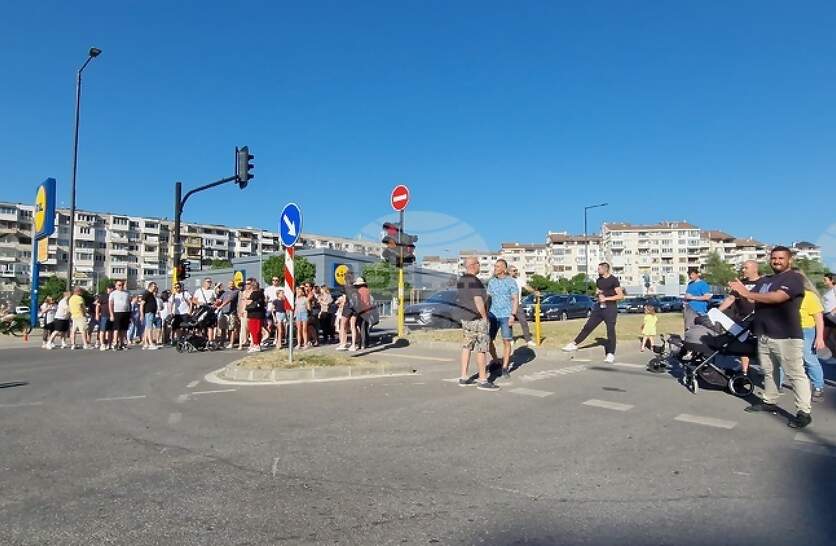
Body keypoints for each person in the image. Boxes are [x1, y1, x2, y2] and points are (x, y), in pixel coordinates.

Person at [729, 246, 811, 429]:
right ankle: (770, 401)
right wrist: (740, 291)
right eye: (774, 258)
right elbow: (753, 299)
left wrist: (747, 293)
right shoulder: (766, 280)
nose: (777, 261)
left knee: (795, 374)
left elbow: (777, 297)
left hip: (786, 335)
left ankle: (803, 412)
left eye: (781, 258)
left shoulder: (793, 278)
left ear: (789, 260)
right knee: (769, 371)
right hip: (764, 334)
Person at [563, 262, 624, 363]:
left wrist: (606, 298)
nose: (598, 270)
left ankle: (610, 354)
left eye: (599, 269)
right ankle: (574, 344)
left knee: (610, 330)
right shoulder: (599, 280)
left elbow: (620, 296)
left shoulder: (613, 280)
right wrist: (597, 293)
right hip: (599, 307)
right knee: (588, 326)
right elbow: (598, 291)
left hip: (610, 308)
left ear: (605, 269)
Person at [456, 257, 496, 391]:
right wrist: (485, 317)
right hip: (477, 319)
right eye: (478, 263)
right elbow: (478, 300)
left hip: (466, 318)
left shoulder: (461, 280)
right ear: (473, 265)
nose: (479, 266)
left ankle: (463, 377)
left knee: (466, 346)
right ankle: (483, 380)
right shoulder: (474, 281)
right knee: (481, 348)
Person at [718, 260, 761, 374]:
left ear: (755, 269)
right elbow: (731, 298)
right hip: (742, 318)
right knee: (742, 343)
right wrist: (717, 311)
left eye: (746, 268)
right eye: (743, 268)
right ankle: (744, 370)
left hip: (759, 318)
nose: (743, 270)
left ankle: (764, 368)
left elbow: (759, 299)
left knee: (761, 344)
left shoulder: (763, 282)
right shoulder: (741, 282)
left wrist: (744, 290)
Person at [486, 259, 518, 381]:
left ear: (504, 269)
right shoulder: (492, 282)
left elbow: (515, 299)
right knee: (488, 340)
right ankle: (495, 360)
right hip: (493, 315)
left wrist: (513, 315)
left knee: (506, 341)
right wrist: (485, 313)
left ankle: (505, 367)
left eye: (498, 266)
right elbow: (488, 298)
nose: (495, 268)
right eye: (495, 266)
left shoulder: (511, 282)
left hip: (506, 315)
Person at [798, 273, 826, 401]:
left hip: (806, 330)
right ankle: (778, 385)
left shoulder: (809, 296)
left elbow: (819, 319)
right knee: (783, 359)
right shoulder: (785, 296)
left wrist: (819, 337)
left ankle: (818, 387)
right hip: (788, 330)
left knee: (809, 358)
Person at [509, 265, 538, 348]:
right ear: (509, 271)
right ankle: (510, 339)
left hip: (518, 304)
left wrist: (534, 292)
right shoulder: (506, 280)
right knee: (509, 323)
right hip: (508, 304)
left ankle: (528, 340)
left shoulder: (519, 280)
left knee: (524, 321)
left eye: (516, 270)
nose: (516, 272)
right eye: (514, 271)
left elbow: (527, 287)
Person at [193, 278, 218, 348]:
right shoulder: (199, 291)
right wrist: (199, 303)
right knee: (200, 325)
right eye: (208, 282)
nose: (209, 283)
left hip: (209, 309)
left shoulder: (212, 291)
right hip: (201, 309)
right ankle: (201, 340)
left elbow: (215, 300)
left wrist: (214, 304)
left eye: (210, 282)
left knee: (210, 325)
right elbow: (194, 300)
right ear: (204, 283)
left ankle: (210, 341)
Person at [244, 278, 266, 352]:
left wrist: (246, 299)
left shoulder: (255, 293)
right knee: (257, 330)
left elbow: (249, 302)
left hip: (254, 314)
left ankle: (256, 345)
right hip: (259, 314)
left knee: (254, 330)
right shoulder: (261, 293)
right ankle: (257, 344)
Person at [109, 280, 132, 350]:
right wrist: (111, 314)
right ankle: (115, 343)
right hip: (117, 312)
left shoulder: (127, 293)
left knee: (124, 329)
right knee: (116, 329)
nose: (121, 286)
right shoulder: (113, 293)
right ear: (116, 286)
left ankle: (122, 343)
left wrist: (130, 314)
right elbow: (110, 304)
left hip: (126, 312)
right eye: (119, 285)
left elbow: (129, 303)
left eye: (122, 285)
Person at [217, 280, 239, 349]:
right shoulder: (225, 293)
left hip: (231, 313)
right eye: (230, 284)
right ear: (228, 285)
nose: (231, 285)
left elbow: (229, 300)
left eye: (232, 284)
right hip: (224, 313)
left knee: (231, 328)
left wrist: (221, 306)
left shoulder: (235, 292)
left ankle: (231, 343)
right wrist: (215, 303)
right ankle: (222, 343)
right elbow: (220, 300)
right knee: (223, 328)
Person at [353, 278, 374, 349]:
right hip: (368, 310)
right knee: (365, 327)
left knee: (360, 327)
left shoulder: (358, 291)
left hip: (361, 310)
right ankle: (366, 343)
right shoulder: (367, 290)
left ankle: (362, 343)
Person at [140, 282, 160, 350]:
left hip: (152, 313)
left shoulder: (151, 294)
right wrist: (141, 314)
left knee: (147, 328)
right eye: (154, 286)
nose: (155, 287)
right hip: (149, 313)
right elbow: (142, 304)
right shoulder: (147, 293)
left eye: (155, 286)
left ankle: (146, 343)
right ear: (150, 286)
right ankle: (151, 343)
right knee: (150, 328)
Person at [95, 284, 114, 351]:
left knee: (110, 331)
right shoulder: (103, 296)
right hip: (104, 315)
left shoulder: (114, 296)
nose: (110, 289)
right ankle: (102, 344)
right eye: (109, 288)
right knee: (102, 330)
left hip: (112, 315)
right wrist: (97, 314)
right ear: (107, 289)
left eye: (112, 288)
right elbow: (98, 306)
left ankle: (109, 344)